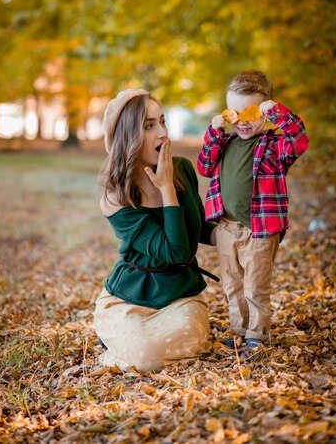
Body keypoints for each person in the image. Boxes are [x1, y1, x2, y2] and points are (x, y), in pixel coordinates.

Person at [93, 88, 218, 371]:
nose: (162, 133)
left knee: (195, 338)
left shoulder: (183, 168)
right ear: (128, 137)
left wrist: (236, 236)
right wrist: (166, 189)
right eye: (149, 126)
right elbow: (175, 252)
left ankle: (129, 346)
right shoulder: (116, 198)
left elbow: (196, 229)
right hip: (129, 299)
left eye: (162, 122)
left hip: (181, 296)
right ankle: (121, 345)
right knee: (146, 357)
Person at [197, 70, 309, 356]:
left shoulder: (273, 145)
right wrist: (214, 133)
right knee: (232, 285)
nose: (242, 121)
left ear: (263, 111)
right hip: (226, 228)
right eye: (234, 113)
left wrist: (278, 112)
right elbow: (205, 167)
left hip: (259, 229)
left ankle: (256, 335)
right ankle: (239, 331)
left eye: (250, 112)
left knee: (254, 287)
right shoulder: (226, 143)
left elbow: (299, 139)